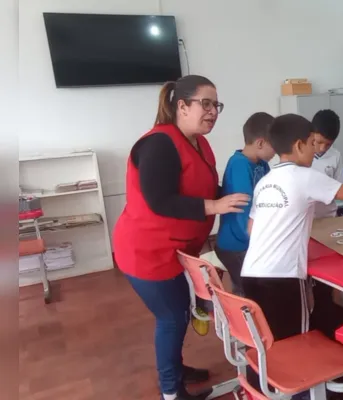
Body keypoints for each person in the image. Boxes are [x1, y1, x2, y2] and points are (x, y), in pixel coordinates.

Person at [113, 75, 250, 400]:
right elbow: (159, 200)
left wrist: (233, 197)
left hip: (176, 249)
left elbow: (198, 187)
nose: (213, 112)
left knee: (180, 313)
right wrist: (215, 205)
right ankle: (171, 390)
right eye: (205, 103)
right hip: (147, 250)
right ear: (181, 105)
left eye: (217, 105)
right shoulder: (159, 144)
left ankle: (174, 367)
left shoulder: (199, 142)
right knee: (172, 317)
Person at [240, 113, 343, 348]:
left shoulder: (266, 181)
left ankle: (267, 383)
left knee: (266, 339)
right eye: (312, 143)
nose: (316, 150)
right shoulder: (305, 176)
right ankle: (299, 383)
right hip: (284, 277)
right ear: (298, 145)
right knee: (296, 341)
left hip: (252, 272)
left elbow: (252, 228)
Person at [215, 112, 276, 297]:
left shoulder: (262, 164)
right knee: (249, 293)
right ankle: (244, 324)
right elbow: (244, 213)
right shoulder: (239, 165)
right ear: (260, 143)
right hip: (236, 245)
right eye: (275, 146)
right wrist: (263, 242)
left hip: (248, 241)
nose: (277, 151)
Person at [310, 109, 343, 218]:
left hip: (329, 216)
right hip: (309, 218)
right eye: (319, 142)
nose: (322, 148)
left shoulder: (335, 155)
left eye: (328, 145)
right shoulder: (302, 155)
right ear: (311, 134)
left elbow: (340, 186)